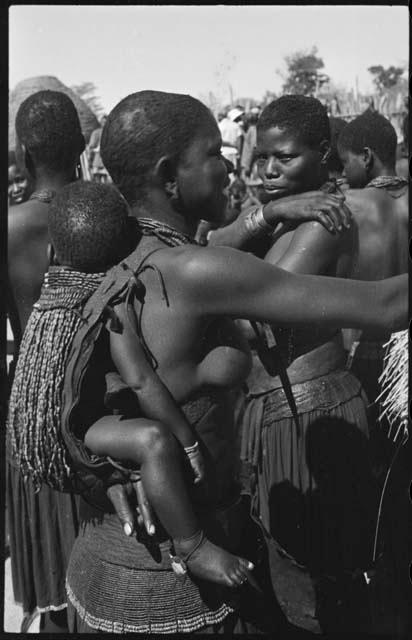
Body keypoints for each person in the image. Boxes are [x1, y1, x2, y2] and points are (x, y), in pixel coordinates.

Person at [61, 90, 407, 634]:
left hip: (102, 565)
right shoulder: (197, 273)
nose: (233, 166)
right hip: (177, 595)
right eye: (212, 153)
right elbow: (387, 304)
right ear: (170, 174)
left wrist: (266, 211)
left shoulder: (107, 252)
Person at [8, 178, 255, 592]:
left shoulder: (48, 299)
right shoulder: (112, 306)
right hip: (80, 431)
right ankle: (192, 544)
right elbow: (142, 381)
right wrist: (188, 442)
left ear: (53, 252)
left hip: (45, 431)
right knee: (153, 441)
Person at [236, 95, 385, 632]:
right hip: (287, 409)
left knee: (311, 583)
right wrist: (271, 210)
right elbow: (212, 249)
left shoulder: (324, 220)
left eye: (285, 157)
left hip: (308, 415)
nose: (268, 170)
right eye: (261, 159)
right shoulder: (289, 216)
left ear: (323, 153)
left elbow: (254, 305)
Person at [337, 110, 408, 472]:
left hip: (367, 352)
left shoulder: (347, 208)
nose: (342, 172)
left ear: (365, 157)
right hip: (407, 354)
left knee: (371, 467)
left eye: (344, 162)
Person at [218, 106, 244, 171]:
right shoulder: (236, 125)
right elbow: (239, 140)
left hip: (223, 153)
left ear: (220, 116)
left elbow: (219, 141)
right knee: (235, 174)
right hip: (234, 153)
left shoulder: (219, 126)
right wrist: (238, 152)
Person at [87, 115, 110, 183]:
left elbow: (91, 147)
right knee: (104, 183)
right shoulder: (108, 133)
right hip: (101, 161)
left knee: (98, 183)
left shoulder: (96, 133)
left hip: (99, 161)